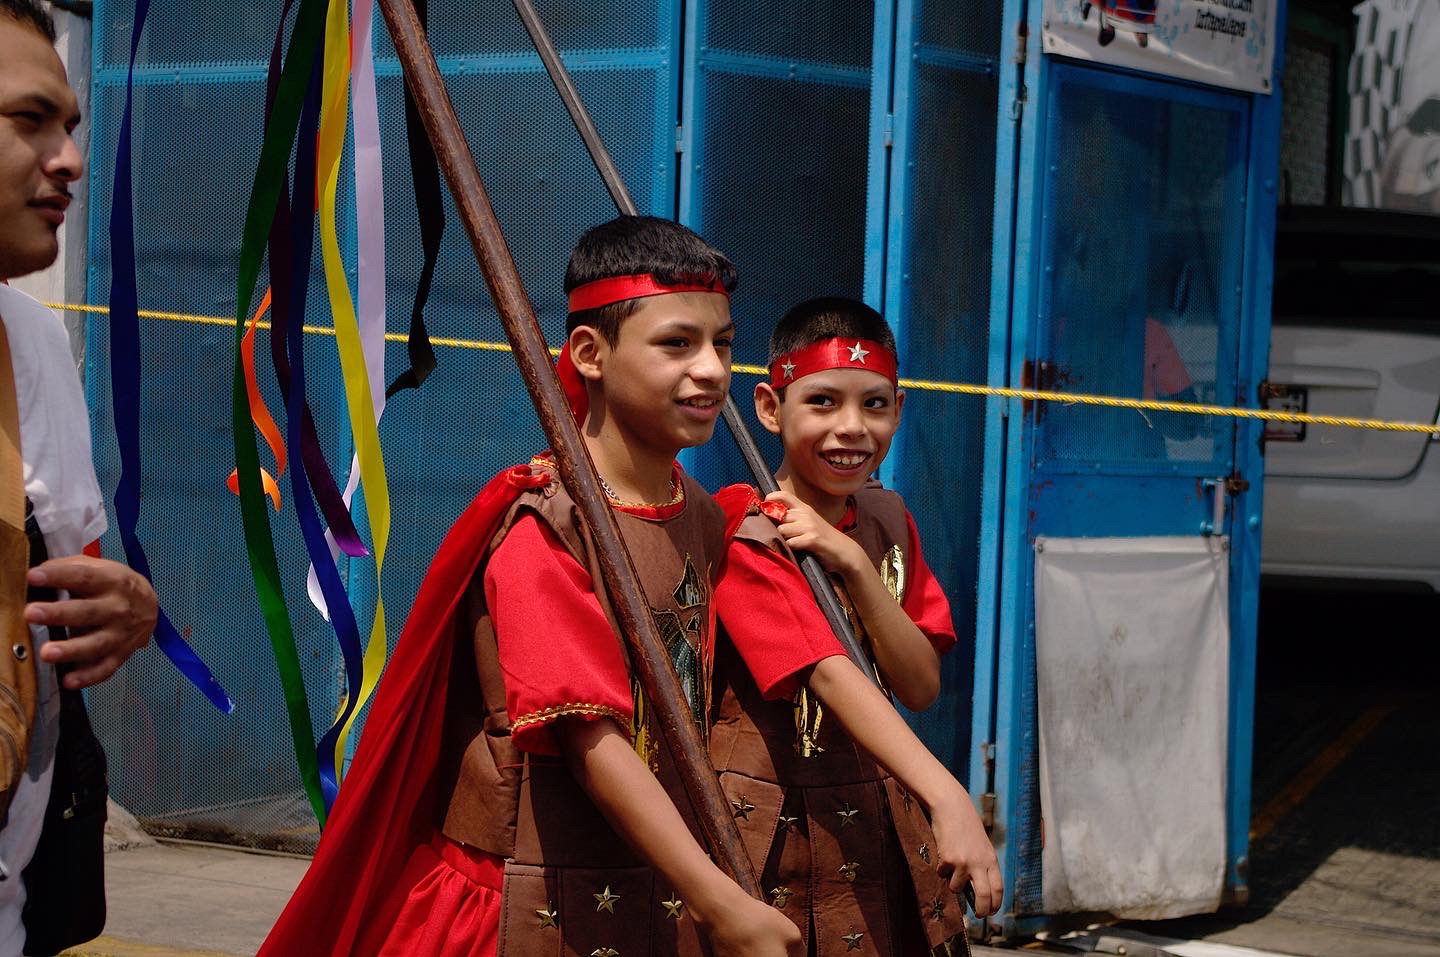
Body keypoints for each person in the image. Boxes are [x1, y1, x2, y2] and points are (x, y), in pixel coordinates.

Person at [259, 215, 809, 957]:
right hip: (523, 905)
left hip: (653, 890)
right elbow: (589, 737)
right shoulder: (544, 528)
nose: (712, 370)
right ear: (589, 353)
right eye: (677, 343)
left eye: (723, 343)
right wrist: (719, 902)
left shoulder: (705, 519)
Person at [710, 295, 1001, 953]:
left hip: (879, 820)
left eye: (874, 404)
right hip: (773, 828)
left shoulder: (886, 518)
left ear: (898, 409)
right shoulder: (747, 530)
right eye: (822, 402)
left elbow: (919, 685)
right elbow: (827, 673)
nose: (851, 428)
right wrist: (948, 795)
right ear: (769, 408)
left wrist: (856, 567)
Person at [0, 1, 159, 952]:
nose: (70, 159)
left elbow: (70, 575)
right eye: (30, 120)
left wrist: (121, 608)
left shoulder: (34, 343)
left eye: (70, 125)